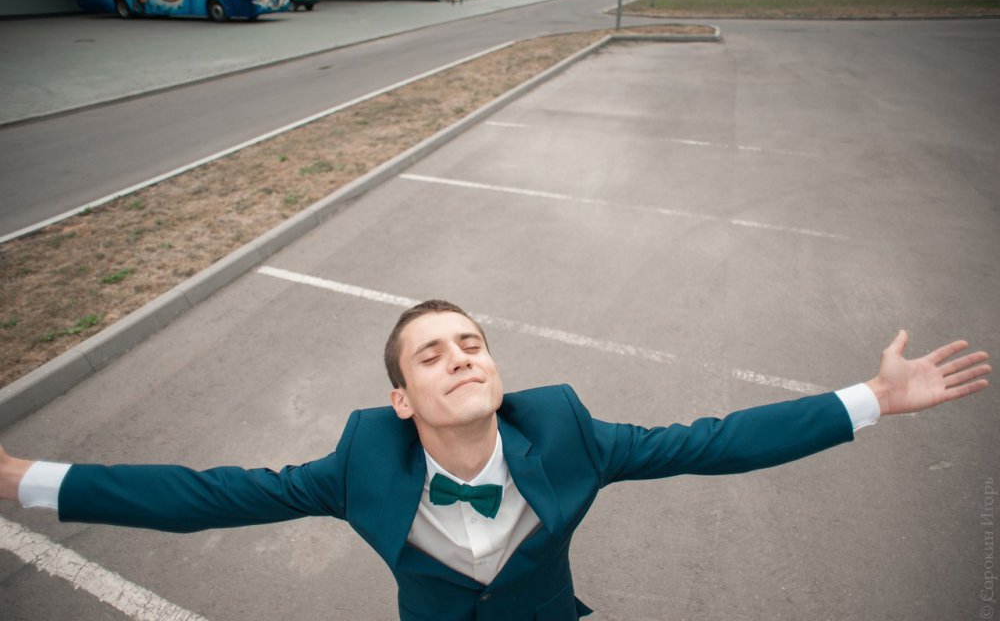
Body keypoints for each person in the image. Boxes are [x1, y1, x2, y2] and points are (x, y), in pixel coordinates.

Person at [0, 300, 992, 620]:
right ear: (401, 398)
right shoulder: (361, 462)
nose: (460, 358)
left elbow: (714, 441)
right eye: (430, 354)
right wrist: (21, 480)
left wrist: (871, 399)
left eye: (471, 343)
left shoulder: (566, 433)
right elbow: (210, 496)